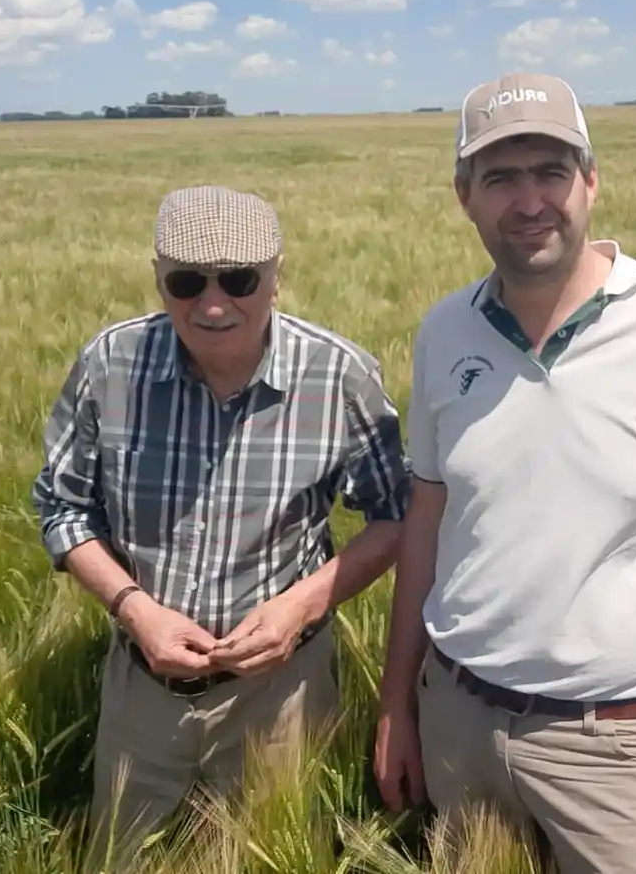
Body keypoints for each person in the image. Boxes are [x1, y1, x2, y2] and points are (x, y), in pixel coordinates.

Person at [373, 72, 636, 874]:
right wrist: (398, 699)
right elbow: (427, 522)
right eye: (501, 177)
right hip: (459, 723)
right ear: (464, 194)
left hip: (621, 750)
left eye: (552, 171)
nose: (530, 200)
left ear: (593, 181)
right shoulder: (443, 333)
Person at [31, 184, 413, 868]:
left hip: (284, 696)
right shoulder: (110, 366)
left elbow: (397, 515)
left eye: (239, 280)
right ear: (158, 278)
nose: (212, 304)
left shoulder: (338, 375)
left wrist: (300, 605)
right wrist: (134, 607)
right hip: (142, 691)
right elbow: (61, 507)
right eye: (185, 281)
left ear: (277, 274)